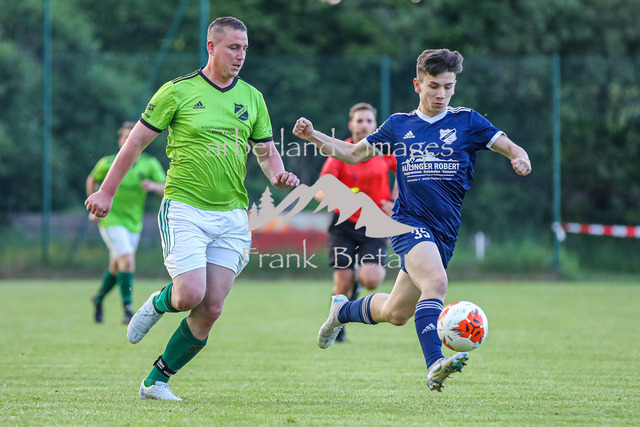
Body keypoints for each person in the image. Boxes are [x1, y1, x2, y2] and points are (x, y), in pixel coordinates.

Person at [85, 16, 299, 401]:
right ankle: (157, 303)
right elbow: (135, 144)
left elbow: (267, 153)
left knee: (211, 307)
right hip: (185, 208)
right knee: (188, 295)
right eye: (233, 47)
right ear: (211, 47)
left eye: (245, 48)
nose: (240, 55)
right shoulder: (177, 91)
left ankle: (156, 381)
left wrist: (278, 175)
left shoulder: (252, 97)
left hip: (232, 215)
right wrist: (106, 192)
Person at [293, 48, 531, 392]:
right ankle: (435, 364)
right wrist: (314, 136)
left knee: (395, 313)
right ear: (417, 85)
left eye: (448, 86)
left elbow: (510, 147)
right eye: (434, 86)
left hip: (444, 233)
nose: (442, 94)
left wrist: (520, 158)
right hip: (407, 223)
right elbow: (353, 153)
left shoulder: (468, 122)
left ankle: (341, 312)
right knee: (436, 282)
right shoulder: (399, 125)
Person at [314, 102, 397, 343]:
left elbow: (405, 173)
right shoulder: (342, 152)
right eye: (359, 121)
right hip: (344, 225)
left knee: (372, 280)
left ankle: (357, 285)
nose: (364, 125)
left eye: (369, 121)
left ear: (375, 125)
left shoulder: (384, 150)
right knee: (343, 283)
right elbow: (320, 189)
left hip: (375, 224)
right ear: (351, 125)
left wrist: (395, 201)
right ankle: (337, 327)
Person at [87, 121, 166, 325]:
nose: (130, 140)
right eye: (126, 137)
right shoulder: (108, 163)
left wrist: (153, 186)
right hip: (111, 219)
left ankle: (98, 298)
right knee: (128, 260)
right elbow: (92, 179)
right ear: (120, 141)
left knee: (117, 266)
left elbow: (166, 187)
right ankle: (128, 309)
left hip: (133, 223)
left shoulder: (149, 164)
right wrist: (95, 208)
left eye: (133, 136)